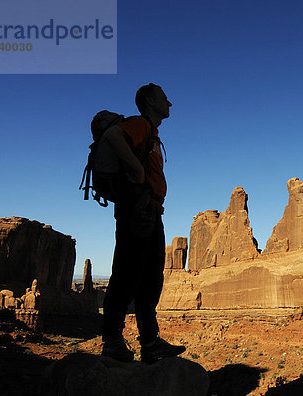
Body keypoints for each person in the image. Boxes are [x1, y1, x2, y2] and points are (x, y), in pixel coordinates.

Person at [100, 83, 185, 363]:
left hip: (149, 212)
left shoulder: (152, 133)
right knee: (127, 275)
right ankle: (112, 340)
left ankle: (150, 343)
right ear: (150, 101)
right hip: (136, 212)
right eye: (164, 98)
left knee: (150, 281)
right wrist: (136, 169)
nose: (170, 103)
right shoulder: (140, 124)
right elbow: (113, 135)